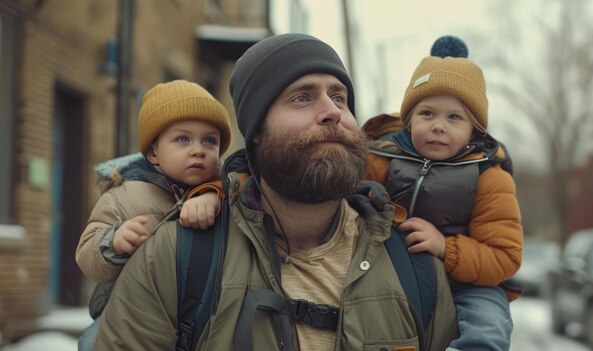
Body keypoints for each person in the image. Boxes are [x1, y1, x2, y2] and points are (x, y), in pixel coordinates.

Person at [94, 32, 459, 351]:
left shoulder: (414, 263)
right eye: (302, 97)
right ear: (255, 131)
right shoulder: (178, 256)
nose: (332, 111)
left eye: (340, 97)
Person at [363, 36, 523, 351]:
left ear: (474, 130)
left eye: (454, 117)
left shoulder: (489, 176)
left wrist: (444, 247)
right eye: (427, 114)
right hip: (392, 269)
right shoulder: (378, 159)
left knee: (489, 326)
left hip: (469, 282)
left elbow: (505, 256)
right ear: (408, 121)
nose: (439, 126)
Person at [75, 79, 231, 350]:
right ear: (154, 153)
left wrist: (211, 197)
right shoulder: (126, 194)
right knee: (92, 342)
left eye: (210, 140)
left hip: (200, 313)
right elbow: (87, 255)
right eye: (182, 139)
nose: (198, 149)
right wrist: (114, 241)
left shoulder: (225, 190)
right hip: (132, 313)